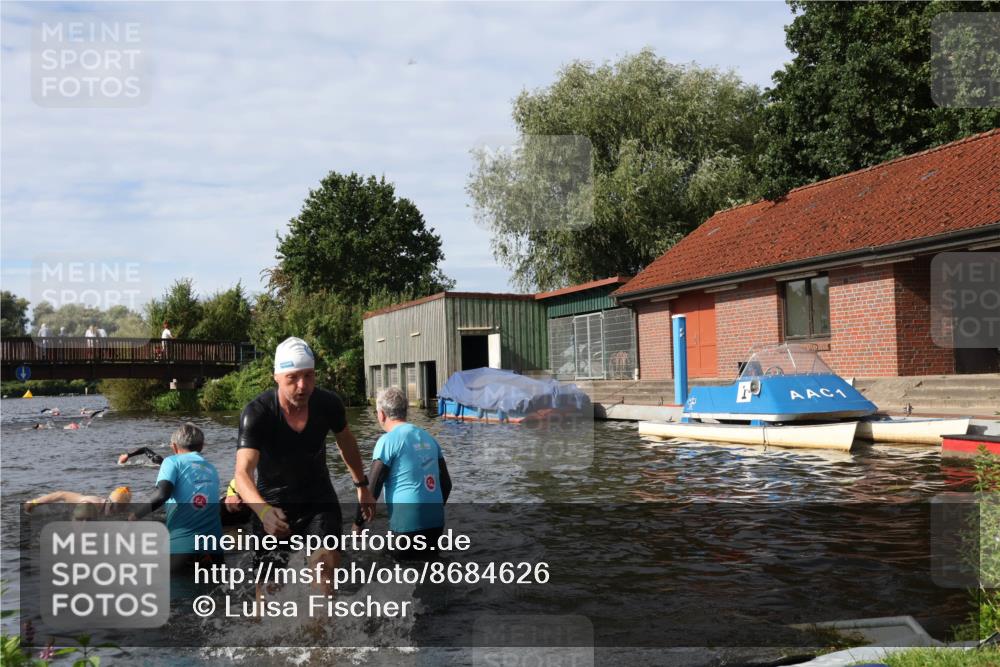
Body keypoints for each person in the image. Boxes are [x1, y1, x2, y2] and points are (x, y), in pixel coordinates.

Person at [235, 337, 375, 599]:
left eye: (309, 376)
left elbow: (346, 442)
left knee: (323, 575)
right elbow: (242, 474)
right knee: (267, 595)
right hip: (271, 506)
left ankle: (322, 638)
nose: (303, 386)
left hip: (318, 502)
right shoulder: (257, 413)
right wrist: (263, 511)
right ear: (276, 376)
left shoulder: (328, 404)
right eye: (293, 378)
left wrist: (361, 486)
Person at [355, 386, 451, 559]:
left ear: (381, 414)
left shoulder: (387, 441)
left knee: (394, 573)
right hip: (436, 522)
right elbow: (447, 485)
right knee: (429, 570)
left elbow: (372, 488)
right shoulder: (429, 438)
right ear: (405, 412)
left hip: (407, 523)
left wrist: (357, 524)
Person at [132, 423, 223, 571]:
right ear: (201, 447)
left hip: (184, 547)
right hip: (215, 550)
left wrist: (135, 515)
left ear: (174, 447)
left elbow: (162, 495)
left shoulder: (171, 461)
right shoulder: (211, 468)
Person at [24, 486, 131, 516]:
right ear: (109, 502)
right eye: (117, 507)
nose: (120, 510)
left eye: (123, 508)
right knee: (61, 495)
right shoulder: (90, 505)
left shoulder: (118, 509)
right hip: (76, 503)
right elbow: (60, 495)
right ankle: (31, 503)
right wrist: (34, 503)